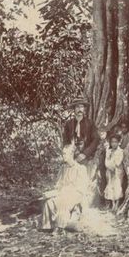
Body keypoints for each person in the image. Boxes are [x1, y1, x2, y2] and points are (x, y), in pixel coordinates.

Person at [40, 96, 100, 231]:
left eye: (82, 107)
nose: (79, 110)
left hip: (85, 159)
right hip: (72, 158)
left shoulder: (90, 124)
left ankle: (80, 210)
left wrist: (85, 153)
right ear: (73, 110)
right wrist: (69, 153)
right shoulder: (69, 124)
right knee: (68, 180)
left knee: (83, 184)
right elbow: (66, 141)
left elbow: (96, 140)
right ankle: (62, 217)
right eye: (77, 107)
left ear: (85, 109)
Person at [104, 134, 125, 211]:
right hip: (110, 170)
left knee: (117, 186)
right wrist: (109, 164)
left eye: (115, 142)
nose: (113, 144)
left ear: (119, 142)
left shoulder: (120, 151)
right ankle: (112, 203)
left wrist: (111, 164)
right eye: (112, 142)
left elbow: (118, 162)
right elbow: (106, 162)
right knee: (110, 185)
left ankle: (117, 203)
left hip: (117, 171)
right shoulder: (109, 151)